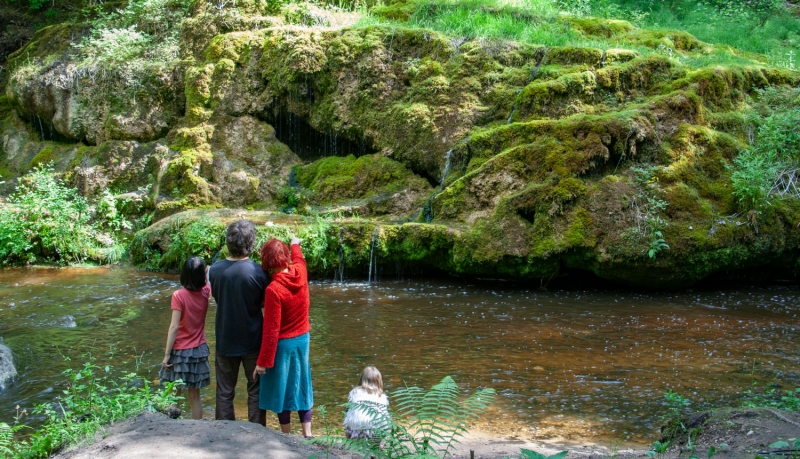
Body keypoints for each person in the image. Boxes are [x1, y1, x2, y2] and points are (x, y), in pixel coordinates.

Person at [209, 220, 269, 425]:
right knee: (256, 390)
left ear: (228, 242)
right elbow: (264, 302)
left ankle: (224, 431)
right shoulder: (259, 271)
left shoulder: (215, 270)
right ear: (251, 243)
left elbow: (217, 297)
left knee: (225, 390)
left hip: (226, 337)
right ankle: (257, 432)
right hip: (253, 339)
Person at [253, 236, 314, 437]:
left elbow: (271, 330)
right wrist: (295, 242)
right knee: (303, 385)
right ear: (286, 257)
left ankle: (286, 436)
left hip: (284, 344)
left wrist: (263, 362)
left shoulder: (273, 290)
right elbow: (300, 258)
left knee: (283, 389)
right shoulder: (301, 272)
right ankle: (308, 434)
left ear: (267, 262)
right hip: (303, 339)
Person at [159, 256, 212, 420]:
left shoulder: (178, 296)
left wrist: (167, 354)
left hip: (180, 351)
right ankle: (197, 429)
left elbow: (174, 327)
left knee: (175, 392)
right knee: (195, 397)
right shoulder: (205, 292)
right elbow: (208, 279)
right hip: (198, 350)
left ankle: (171, 427)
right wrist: (207, 271)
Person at [343, 366, 390, 440]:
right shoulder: (382, 395)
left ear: (362, 379)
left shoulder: (354, 392)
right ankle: (379, 442)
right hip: (376, 430)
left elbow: (347, 410)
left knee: (349, 418)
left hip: (356, 428)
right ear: (379, 381)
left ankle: (352, 438)